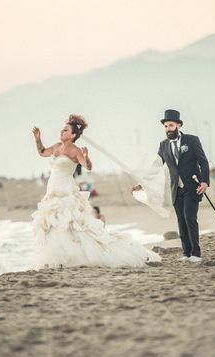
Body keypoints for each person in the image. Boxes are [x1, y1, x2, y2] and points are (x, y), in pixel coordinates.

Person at [32, 114, 160, 268]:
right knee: (52, 223)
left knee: (69, 223)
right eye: (62, 130)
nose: (61, 132)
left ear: (73, 135)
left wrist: (86, 157)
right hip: (52, 189)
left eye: (65, 130)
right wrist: (37, 138)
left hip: (66, 190)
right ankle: (59, 257)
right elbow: (42, 152)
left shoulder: (75, 150)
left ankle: (75, 256)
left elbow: (88, 167)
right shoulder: (56, 146)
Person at [132, 109, 209, 263]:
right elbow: (155, 167)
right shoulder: (163, 145)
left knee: (190, 218)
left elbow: (203, 161)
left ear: (178, 125)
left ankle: (196, 253)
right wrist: (141, 184)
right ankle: (187, 253)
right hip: (176, 189)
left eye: (171, 125)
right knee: (181, 221)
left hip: (192, 186)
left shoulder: (192, 140)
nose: (168, 129)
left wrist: (205, 181)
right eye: (166, 126)